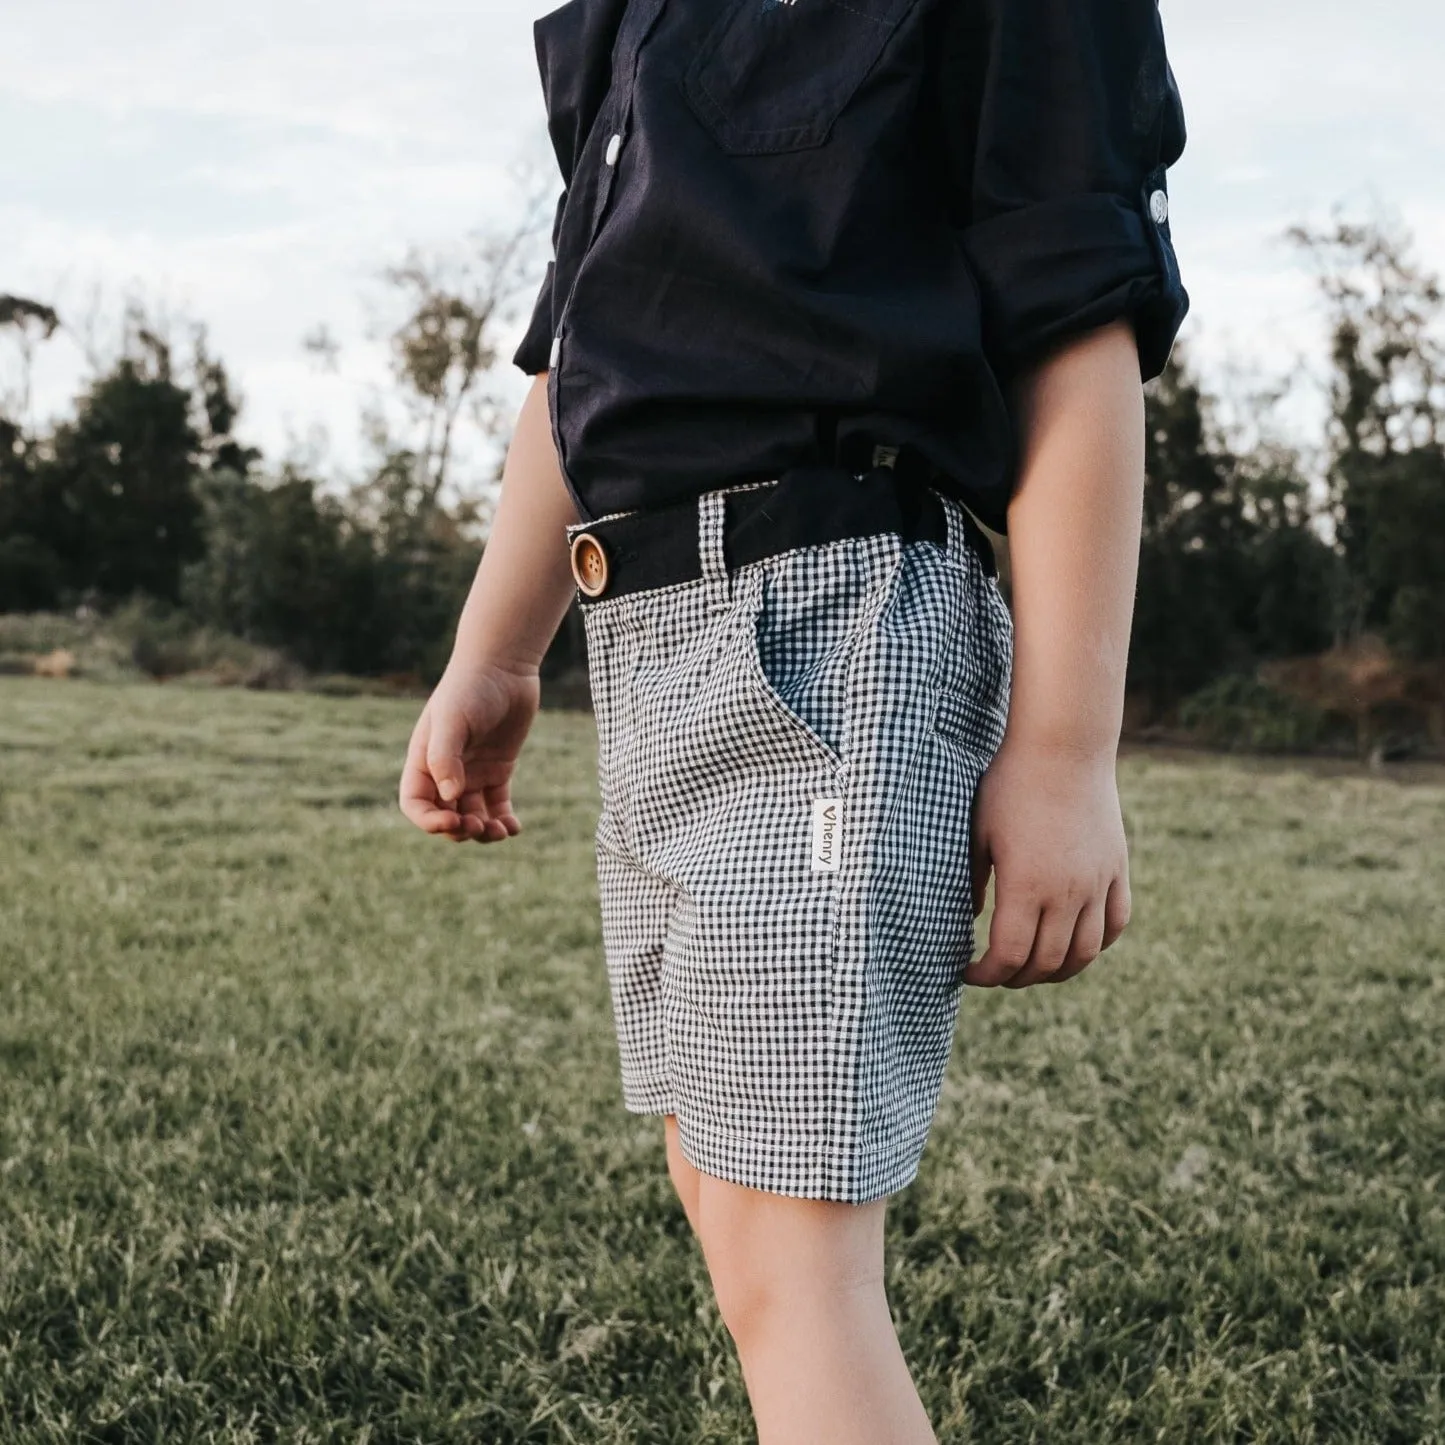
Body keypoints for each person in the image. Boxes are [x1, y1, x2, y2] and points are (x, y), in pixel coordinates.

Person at [400, 0, 1187, 1436]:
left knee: (787, 1235)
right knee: (715, 1172)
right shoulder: (630, 24)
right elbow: (569, 372)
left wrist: (1065, 750)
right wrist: (496, 654)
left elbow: (1081, 339)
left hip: (838, 619)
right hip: (645, 631)